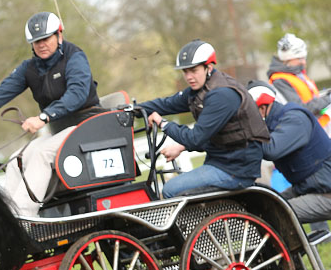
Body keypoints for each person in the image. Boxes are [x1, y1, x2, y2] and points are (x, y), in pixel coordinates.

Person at [0, 11, 101, 215]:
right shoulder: (30, 68)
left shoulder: (75, 57)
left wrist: (43, 117)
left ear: (59, 35)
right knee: (16, 159)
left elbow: (77, 94)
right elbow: (3, 92)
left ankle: (24, 215)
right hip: (60, 130)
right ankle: (6, 214)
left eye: (46, 38)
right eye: (36, 41)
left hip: (86, 125)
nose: (41, 44)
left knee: (41, 154)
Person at [138, 40, 270, 198]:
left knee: (171, 189)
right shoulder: (199, 90)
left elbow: (195, 139)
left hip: (236, 169)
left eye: (194, 70)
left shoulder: (222, 94)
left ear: (209, 67)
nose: (189, 77)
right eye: (185, 72)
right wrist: (134, 110)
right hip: (221, 161)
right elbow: (167, 104)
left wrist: (163, 123)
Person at [247, 81, 331, 226]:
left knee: (274, 215)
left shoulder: (294, 119)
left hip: (325, 192)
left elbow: (270, 150)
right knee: (265, 205)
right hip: (309, 187)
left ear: (262, 108)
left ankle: (296, 248)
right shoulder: (274, 123)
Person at [267, 34, 331, 131]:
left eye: (304, 58)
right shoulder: (280, 81)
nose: (304, 62)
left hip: (320, 126)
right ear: (287, 59)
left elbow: (312, 99)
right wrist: (328, 99)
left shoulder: (296, 75)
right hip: (311, 131)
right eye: (300, 59)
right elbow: (301, 108)